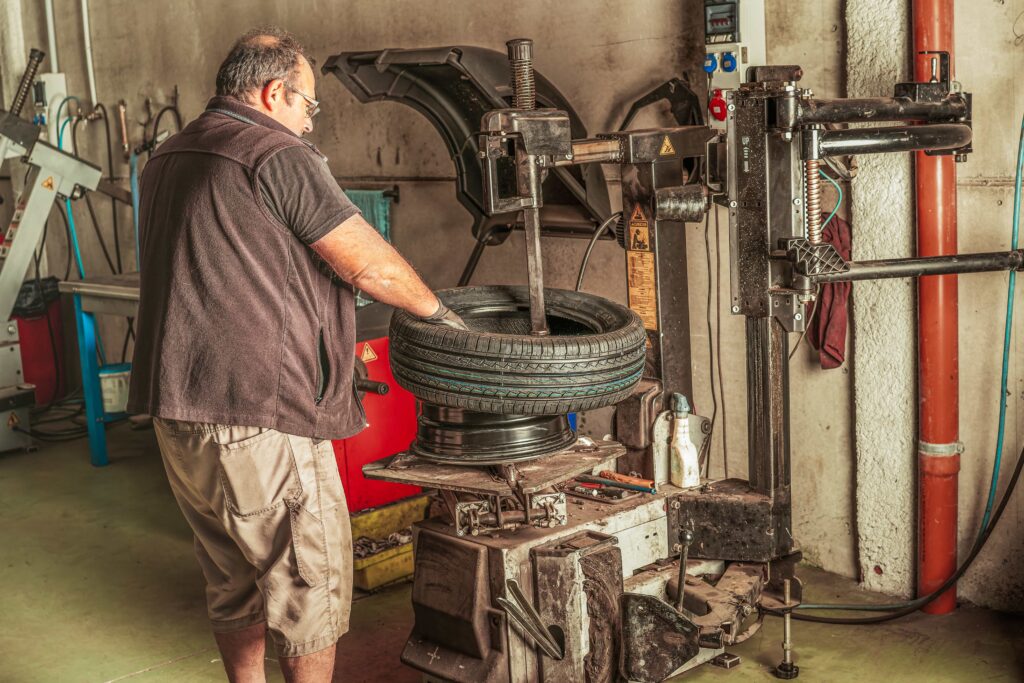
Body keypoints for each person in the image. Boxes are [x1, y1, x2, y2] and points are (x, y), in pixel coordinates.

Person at [127, 27, 466, 683]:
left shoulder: (171, 153)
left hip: (181, 412)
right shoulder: (275, 153)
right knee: (306, 584)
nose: (309, 122)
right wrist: (447, 320)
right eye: (308, 105)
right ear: (273, 91)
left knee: (234, 578)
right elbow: (367, 263)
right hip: (261, 419)